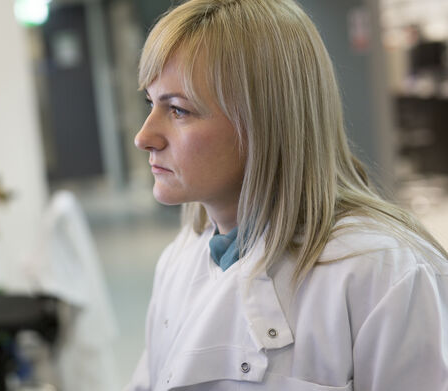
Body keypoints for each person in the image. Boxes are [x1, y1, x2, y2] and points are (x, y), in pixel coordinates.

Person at [125, 0, 448, 390]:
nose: (144, 137)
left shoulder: (384, 274)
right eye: (151, 103)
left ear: (265, 121)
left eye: (178, 110)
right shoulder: (183, 255)